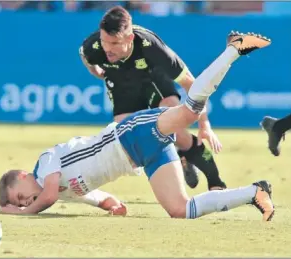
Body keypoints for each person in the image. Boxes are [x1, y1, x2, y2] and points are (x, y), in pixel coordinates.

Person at [0, 31, 274, 222]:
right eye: (22, 203)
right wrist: (111, 205)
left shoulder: (45, 165)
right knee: (181, 210)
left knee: (189, 112)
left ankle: (233, 48)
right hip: (144, 156)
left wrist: (20, 214)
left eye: (21, 197)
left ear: (23, 175)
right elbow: (97, 196)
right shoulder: (64, 192)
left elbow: (44, 198)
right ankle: (255, 193)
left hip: (130, 135)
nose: (26, 202)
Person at [79, 6, 225, 190]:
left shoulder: (151, 47)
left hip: (152, 79)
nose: (107, 48)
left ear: (130, 38)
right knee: (130, 140)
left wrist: (204, 124)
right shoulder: (93, 46)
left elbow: (193, 86)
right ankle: (180, 158)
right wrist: (96, 72)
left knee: (176, 131)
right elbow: (85, 56)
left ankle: (216, 182)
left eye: (114, 43)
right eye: (104, 41)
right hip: (121, 84)